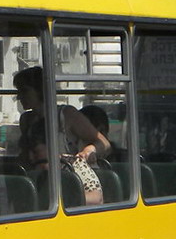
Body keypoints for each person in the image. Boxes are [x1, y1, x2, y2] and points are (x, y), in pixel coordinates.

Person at [14, 66, 109, 204]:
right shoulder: (26, 120)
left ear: (40, 90)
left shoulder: (67, 115)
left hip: (73, 181)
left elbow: (104, 143)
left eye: (24, 91)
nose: (19, 97)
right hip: (42, 180)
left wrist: (89, 151)